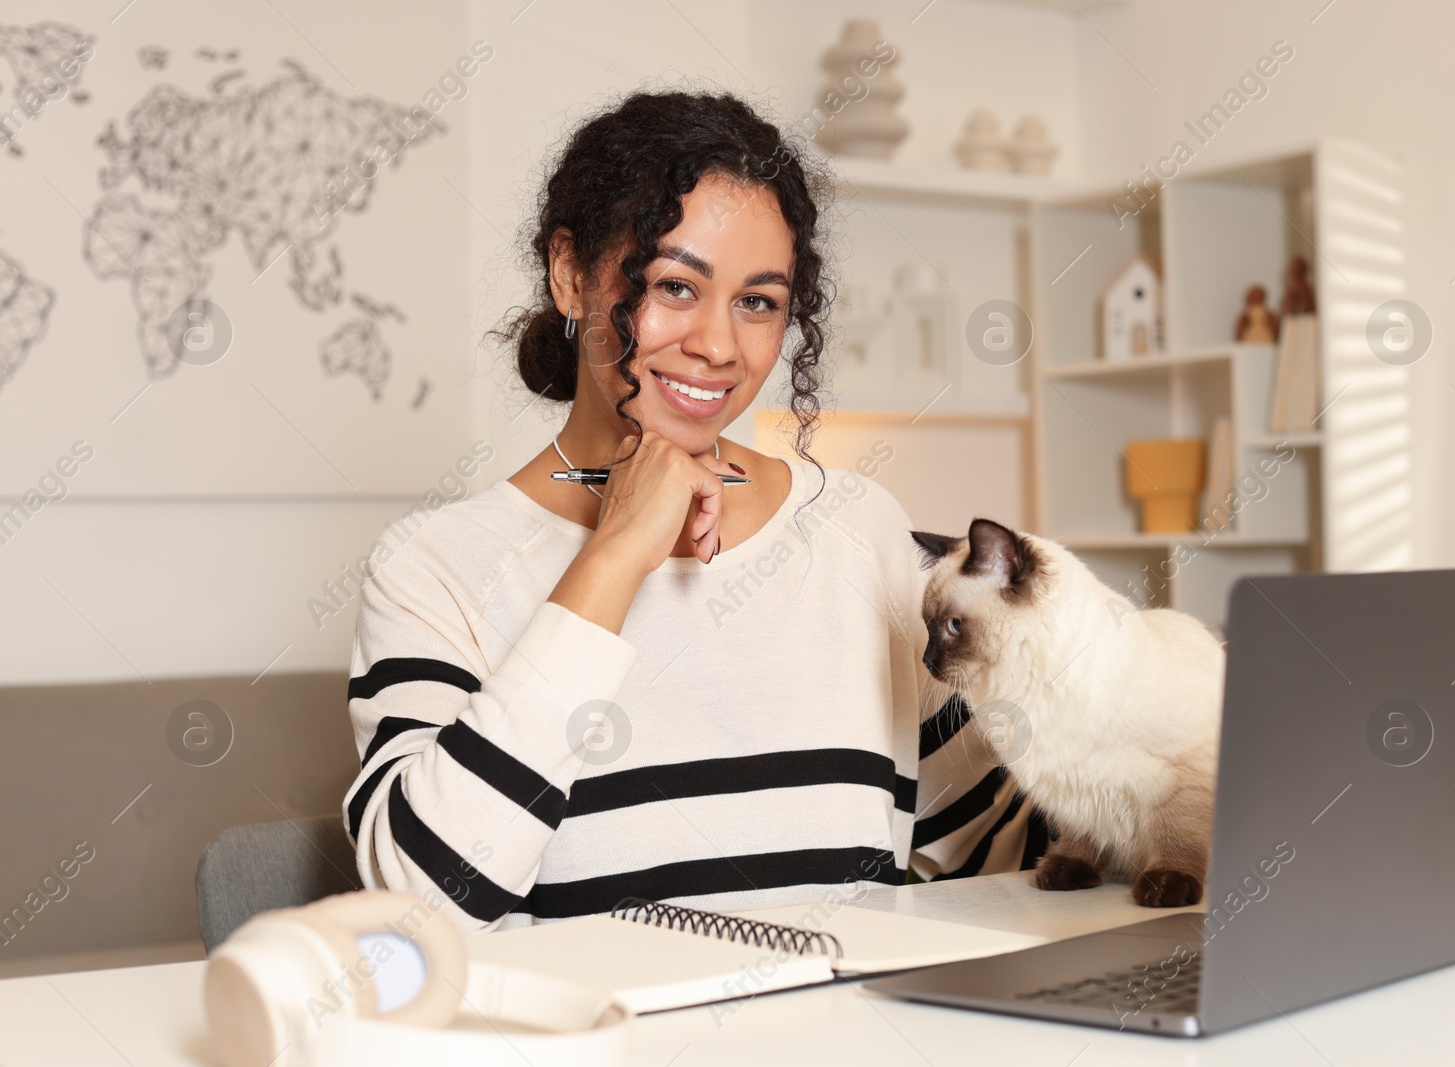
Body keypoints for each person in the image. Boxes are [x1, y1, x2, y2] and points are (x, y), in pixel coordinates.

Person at [342, 89, 1048, 932]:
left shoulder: (858, 532)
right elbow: (420, 906)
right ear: (571, 276)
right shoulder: (435, 565)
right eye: (676, 285)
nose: (718, 345)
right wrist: (614, 555)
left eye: (757, 301)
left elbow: (999, 853)